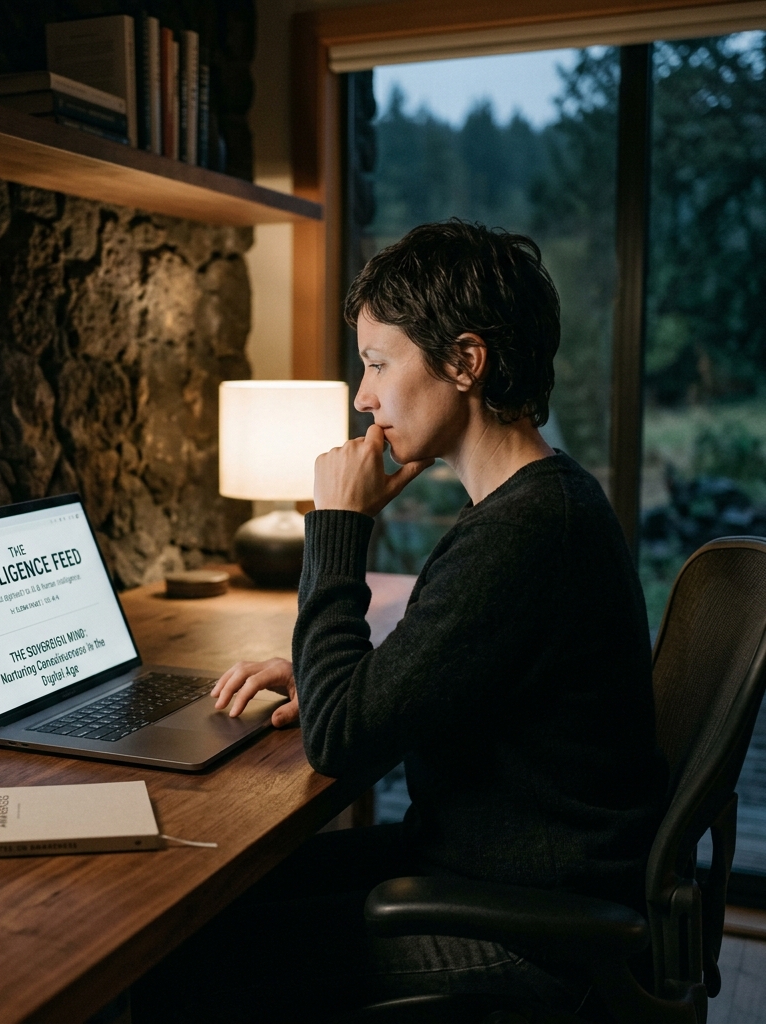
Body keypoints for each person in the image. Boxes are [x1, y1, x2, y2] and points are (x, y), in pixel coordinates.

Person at [131, 221, 668, 1023]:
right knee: (210, 902)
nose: (363, 395)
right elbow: (442, 674)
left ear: (464, 360)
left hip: (530, 930)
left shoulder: (524, 532)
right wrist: (338, 678)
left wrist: (338, 524)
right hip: (489, 868)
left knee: (184, 964)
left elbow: (343, 741)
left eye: (379, 363)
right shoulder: (540, 505)